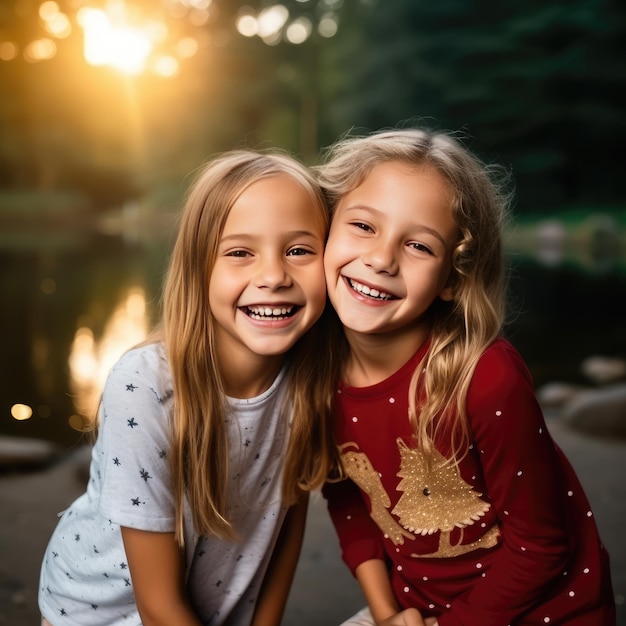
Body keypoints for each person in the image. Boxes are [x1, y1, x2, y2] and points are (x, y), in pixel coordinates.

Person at [317, 127, 616, 625]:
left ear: (453, 279)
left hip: (542, 614)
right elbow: (347, 495)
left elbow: (540, 548)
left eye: (418, 245)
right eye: (364, 227)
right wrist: (387, 612)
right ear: (325, 230)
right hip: (417, 609)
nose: (381, 259)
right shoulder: (315, 374)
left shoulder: (486, 379)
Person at [38, 149, 338, 626]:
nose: (274, 276)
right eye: (240, 252)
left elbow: (287, 519)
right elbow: (158, 609)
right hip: (99, 616)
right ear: (199, 268)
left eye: (299, 250)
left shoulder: (312, 379)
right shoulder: (145, 386)